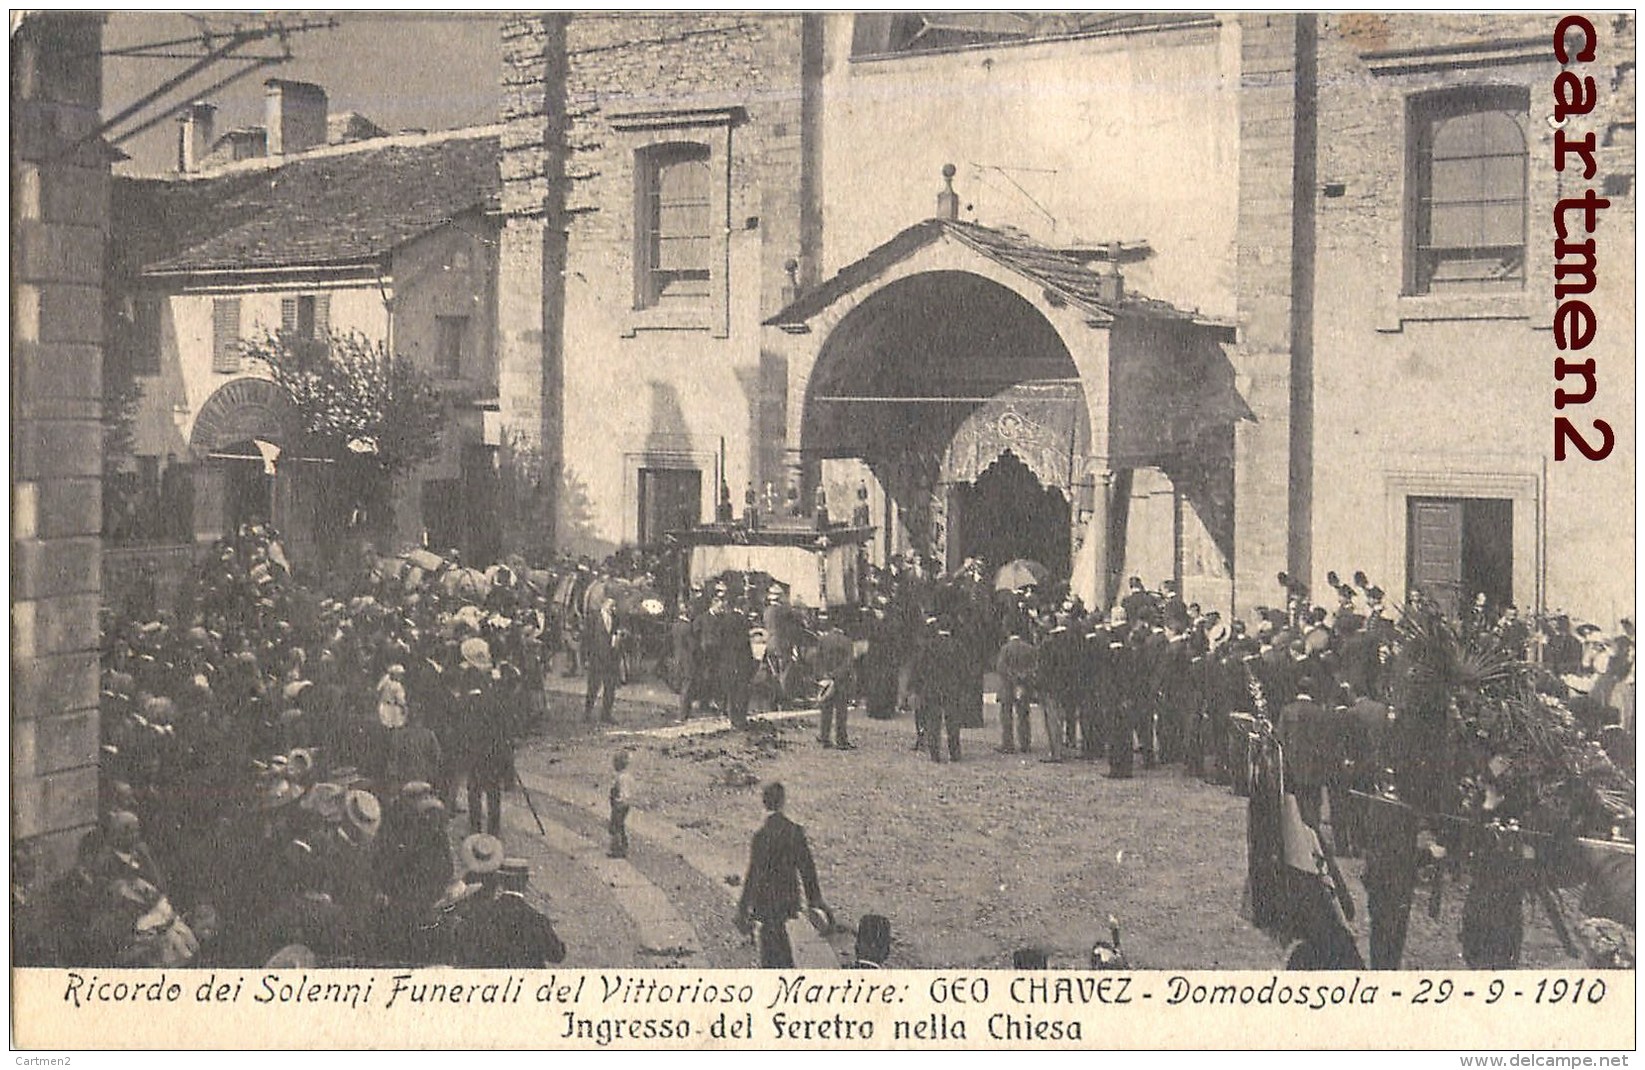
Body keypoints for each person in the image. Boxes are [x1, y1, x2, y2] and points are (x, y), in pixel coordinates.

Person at [735, 782, 832, 968]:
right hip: (787, 897)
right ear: (783, 802)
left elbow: (753, 874)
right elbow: (807, 869)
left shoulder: (761, 836)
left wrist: (743, 907)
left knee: (770, 943)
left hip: (764, 899)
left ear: (764, 802)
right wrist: (815, 900)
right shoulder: (794, 831)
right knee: (780, 939)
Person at [458, 859, 566, 968]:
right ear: (525, 882)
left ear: (501, 881)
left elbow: (467, 952)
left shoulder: (481, 914)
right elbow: (557, 955)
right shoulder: (536, 919)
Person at [813, 610, 856, 749]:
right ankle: (841, 739)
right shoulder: (847, 642)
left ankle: (825, 737)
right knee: (841, 711)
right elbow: (848, 663)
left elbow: (817, 660)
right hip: (841, 681)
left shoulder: (823, 640)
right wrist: (836, 675)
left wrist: (824, 675)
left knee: (826, 709)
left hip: (825, 680)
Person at [994, 630, 1037, 754]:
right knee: (1023, 715)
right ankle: (1025, 743)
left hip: (1007, 686)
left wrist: (1012, 677)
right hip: (1024, 686)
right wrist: (1023, 676)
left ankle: (1008, 743)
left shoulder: (1005, 649)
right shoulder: (1029, 648)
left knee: (1006, 715)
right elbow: (1034, 666)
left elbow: (1001, 667)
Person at [584, 595, 621, 724]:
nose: (613, 608)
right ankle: (587, 713)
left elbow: (615, 633)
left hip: (611, 659)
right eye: (611, 605)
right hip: (596, 659)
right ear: (603, 604)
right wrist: (586, 658)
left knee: (610, 688)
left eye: (614, 605)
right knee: (593, 687)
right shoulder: (593, 618)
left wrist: (617, 639)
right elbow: (587, 639)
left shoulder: (615, 618)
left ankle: (606, 715)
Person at [609, 751, 634, 858]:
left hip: (619, 804)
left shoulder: (620, 778)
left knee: (615, 826)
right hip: (626, 804)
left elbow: (618, 791)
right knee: (620, 825)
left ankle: (617, 849)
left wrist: (615, 800)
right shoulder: (628, 777)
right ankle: (624, 846)